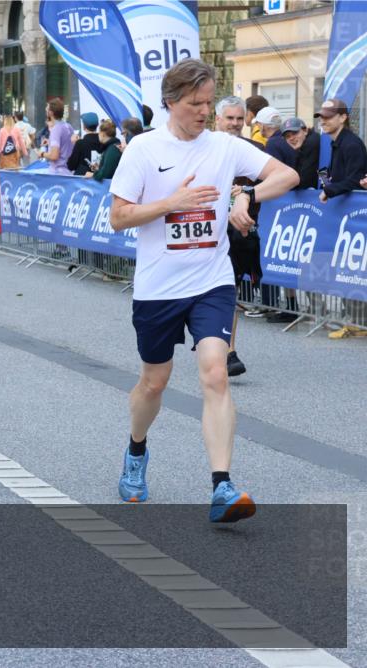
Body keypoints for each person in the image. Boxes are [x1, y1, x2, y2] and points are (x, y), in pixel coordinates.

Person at [108, 59, 298, 522]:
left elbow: (288, 175)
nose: (205, 112)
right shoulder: (143, 150)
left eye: (210, 103)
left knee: (215, 373)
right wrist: (172, 203)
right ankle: (136, 450)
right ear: (170, 103)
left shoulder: (225, 147)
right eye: (195, 104)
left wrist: (245, 196)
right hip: (158, 287)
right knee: (154, 382)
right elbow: (118, 216)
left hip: (211, 279)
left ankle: (222, 486)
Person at [214, 95, 262, 375]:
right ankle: (211, 340)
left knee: (228, 291)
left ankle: (229, 351)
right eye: (229, 118)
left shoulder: (254, 151)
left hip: (237, 236)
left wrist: (246, 194)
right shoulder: (200, 150)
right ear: (217, 119)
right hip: (201, 234)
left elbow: (276, 180)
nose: (234, 123)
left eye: (239, 119)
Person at [315, 98, 367, 340]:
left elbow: (357, 180)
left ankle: (358, 322)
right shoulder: (338, 142)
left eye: (329, 116)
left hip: (355, 216)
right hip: (345, 216)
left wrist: (330, 190)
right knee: (346, 266)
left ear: (343, 117)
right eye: (322, 116)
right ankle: (355, 321)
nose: (323, 121)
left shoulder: (351, 144)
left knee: (353, 266)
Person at [38, 98, 74, 175]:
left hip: (57, 173)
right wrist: (50, 141)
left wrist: (41, 154)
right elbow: (66, 143)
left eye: (47, 109)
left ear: (50, 113)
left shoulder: (56, 129)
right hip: (68, 171)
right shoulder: (68, 126)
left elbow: (54, 156)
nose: (46, 111)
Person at [281, 118, 319, 189]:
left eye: (295, 133)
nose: (291, 138)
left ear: (305, 131)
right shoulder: (304, 144)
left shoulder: (311, 143)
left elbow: (305, 179)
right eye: (288, 136)